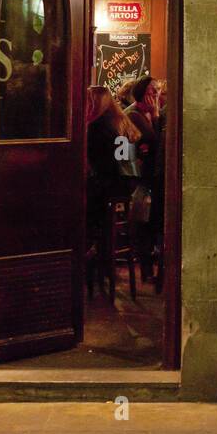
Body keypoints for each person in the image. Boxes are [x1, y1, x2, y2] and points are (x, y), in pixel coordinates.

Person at [86, 86, 142, 292]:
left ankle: (92, 251)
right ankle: (102, 250)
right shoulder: (120, 121)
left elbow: (96, 164)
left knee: (81, 203)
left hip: (107, 187)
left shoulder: (97, 126)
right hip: (125, 186)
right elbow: (125, 159)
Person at [126, 75, 162, 282]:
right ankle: (146, 268)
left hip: (150, 175)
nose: (156, 94)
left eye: (157, 90)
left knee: (151, 221)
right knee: (144, 221)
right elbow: (155, 142)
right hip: (139, 178)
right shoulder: (135, 114)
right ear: (141, 92)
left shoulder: (147, 113)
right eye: (152, 91)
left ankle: (151, 265)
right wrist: (156, 114)